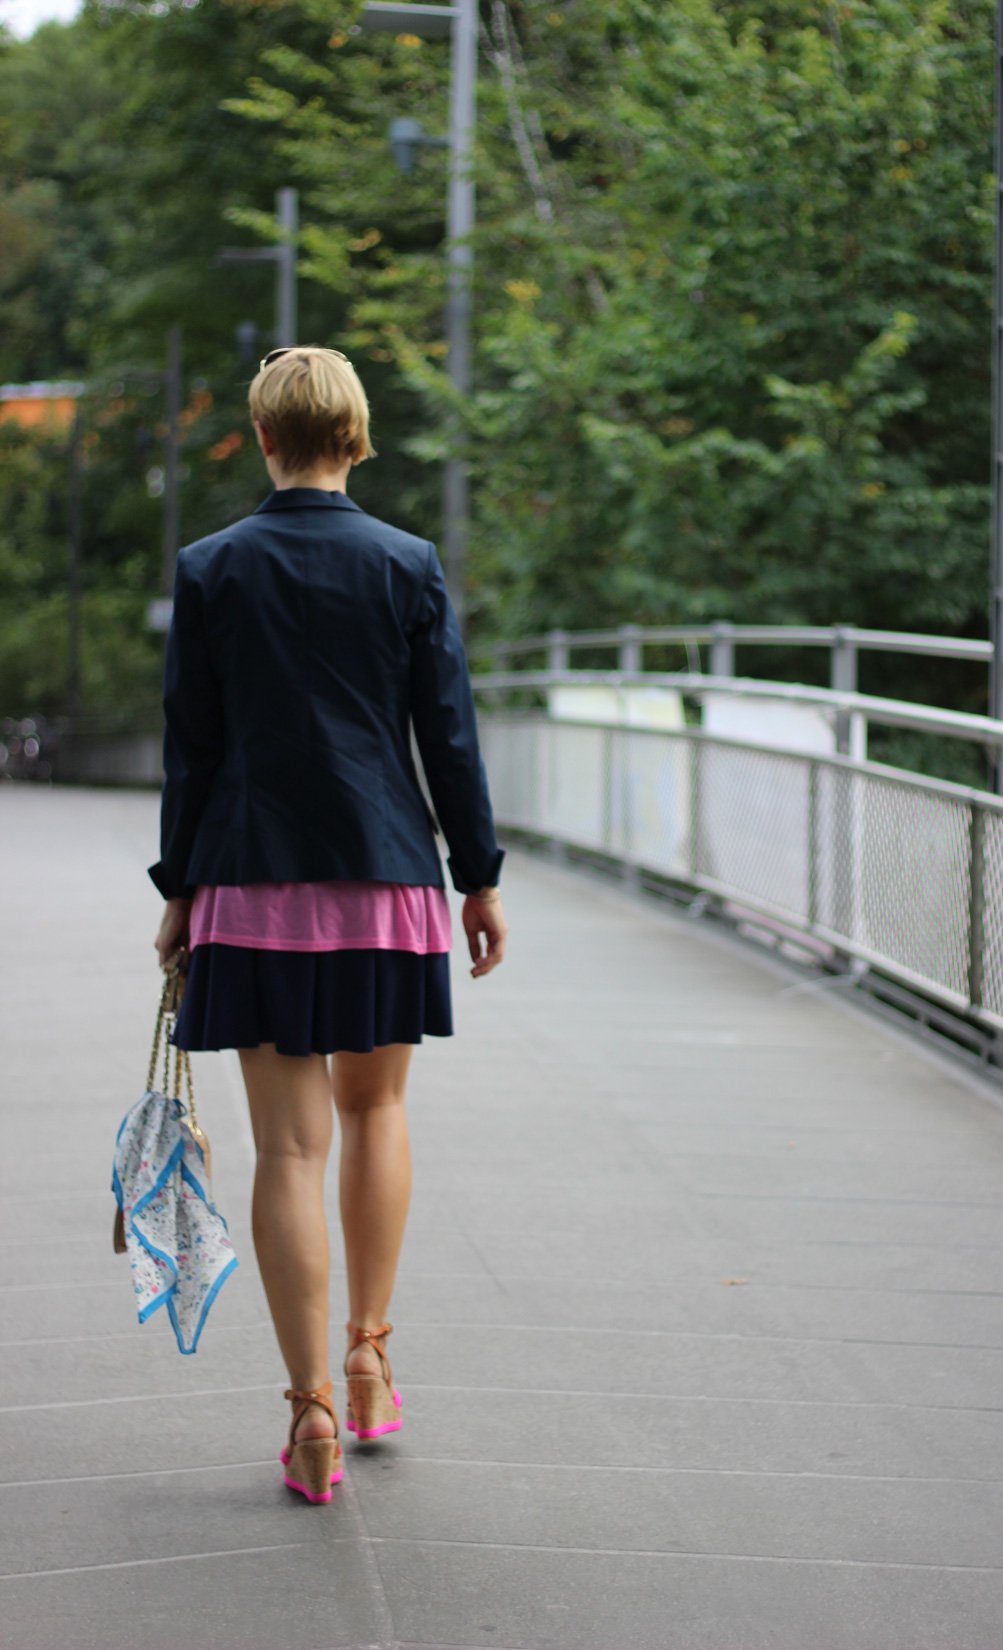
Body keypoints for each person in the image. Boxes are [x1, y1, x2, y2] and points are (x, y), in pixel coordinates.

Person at [149, 344, 506, 1505]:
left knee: (288, 1149)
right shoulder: (407, 563)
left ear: (262, 438)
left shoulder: (212, 568)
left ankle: (306, 1417)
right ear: (356, 438)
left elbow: (192, 744)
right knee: (379, 1107)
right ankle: (368, 1356)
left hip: (253, 882)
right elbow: (444, 733)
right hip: (387, 877)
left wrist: (177, 890)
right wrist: (480, 877)